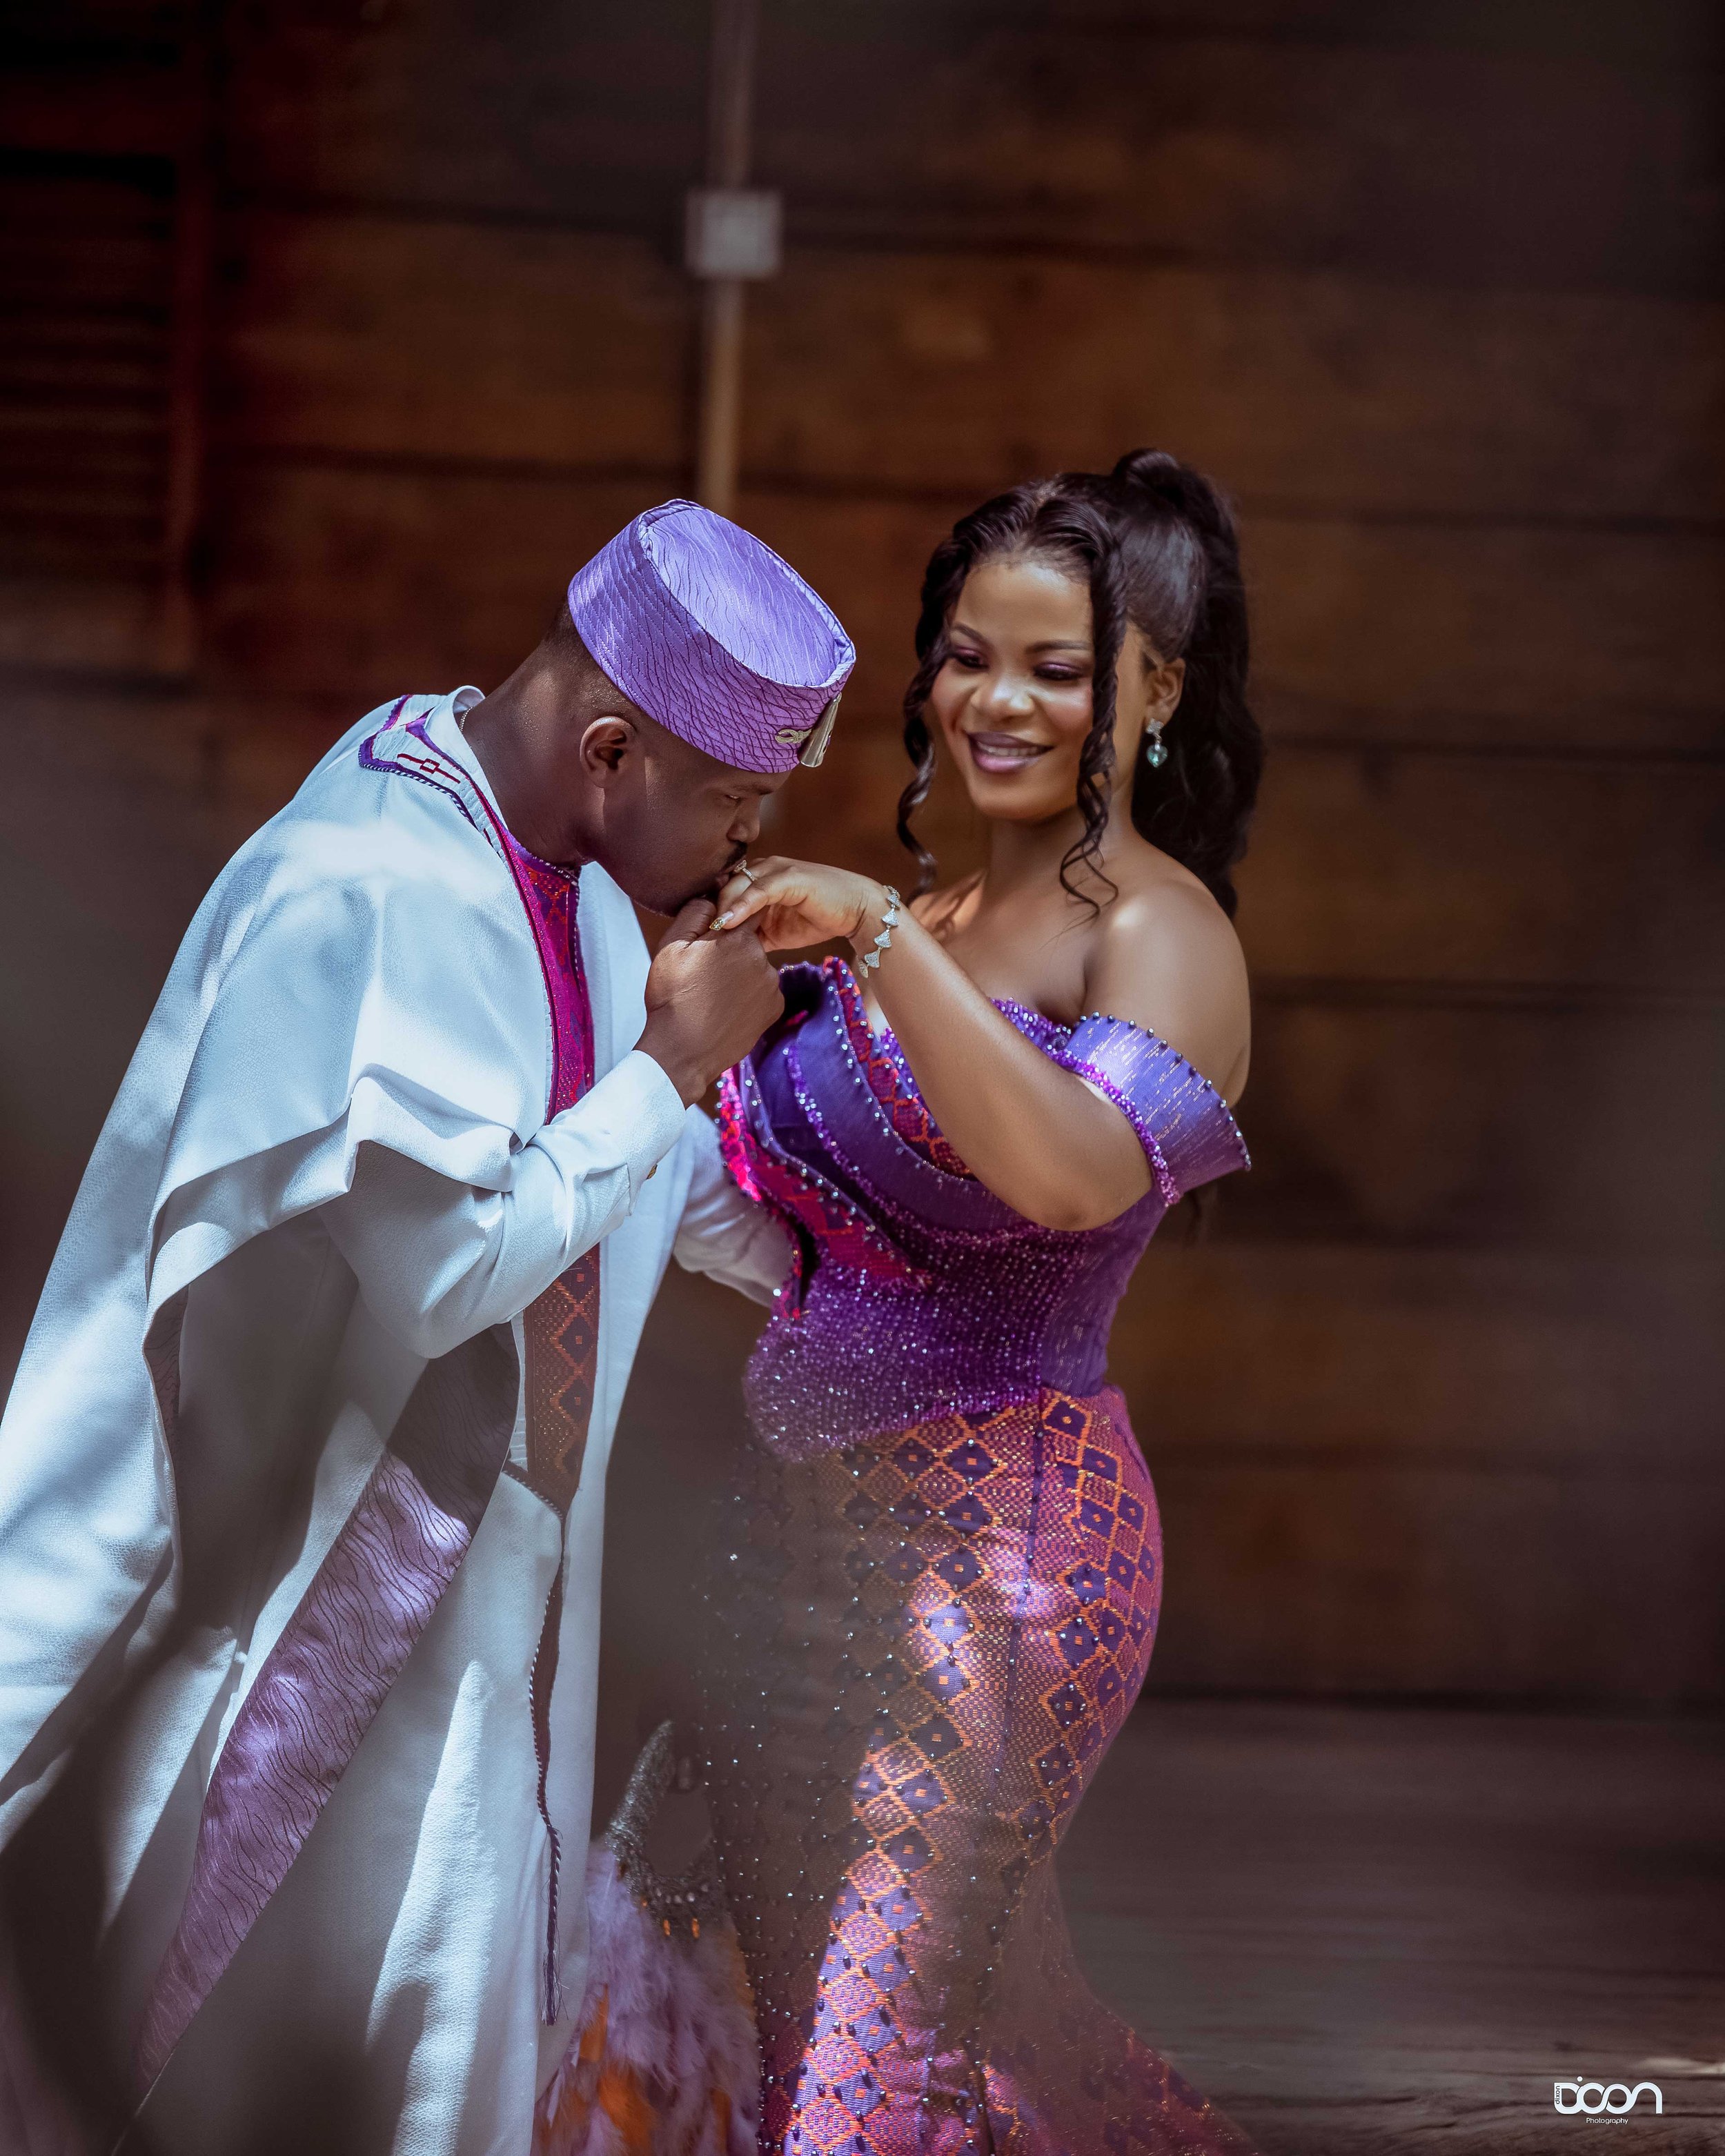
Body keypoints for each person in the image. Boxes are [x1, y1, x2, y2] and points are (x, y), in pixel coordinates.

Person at [0, 500, 845, 2156]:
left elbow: (625, 1170)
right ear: (609, 747)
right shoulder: (372, 888)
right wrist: (670, 1069)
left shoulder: (577, 885)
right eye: (735, 800)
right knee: (211, 2037)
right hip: (301, 1597)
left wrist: (865, 1261)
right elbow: (453, 1268)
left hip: (487, 1602)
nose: (743, 846)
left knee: (437, 2059)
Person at [698, 451, 1263, 2154]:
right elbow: (765, 1212)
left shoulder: (1162, 937)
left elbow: (1073, 1174)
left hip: (1000, 1567)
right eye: (961, 652)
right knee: (896, 2037)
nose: (991, 702)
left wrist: (874, 939)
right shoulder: (928, 914)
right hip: (778, 1558)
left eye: (1056, 667)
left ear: (1151, 691)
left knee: (867, 2071)